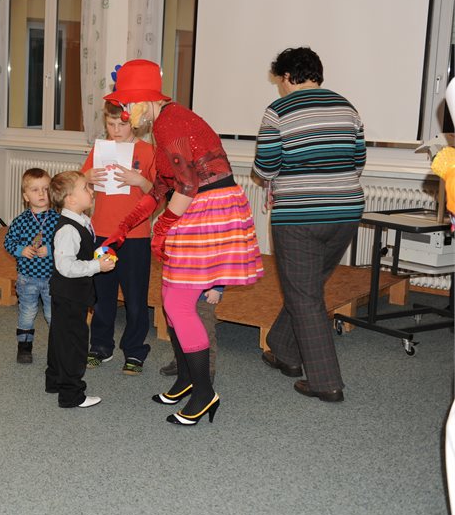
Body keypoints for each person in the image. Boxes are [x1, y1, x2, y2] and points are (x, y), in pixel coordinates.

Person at [105, 59, 264, 426]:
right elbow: (163, 186)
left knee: (178, 302)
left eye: (127, 103)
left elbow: (188, 185)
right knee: (172, 298)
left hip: (205, 208)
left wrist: (162, 228)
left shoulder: (169, 122)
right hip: (200, 205)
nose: (125, 111)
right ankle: (187, 380)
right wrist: (125, 226)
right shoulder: (167, 120)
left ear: (143, 99)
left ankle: (205, 394)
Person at [253, 47, 365, 403]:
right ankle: (284, 349)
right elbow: (358, 161)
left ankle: (325, 382)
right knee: (307, 286)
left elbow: (265, 168)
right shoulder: (347, 107)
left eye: (280, 81)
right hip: (346, 211)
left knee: (304, 294)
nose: (280, 88)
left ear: (288, 77)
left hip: (299, 217)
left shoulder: (279, 111)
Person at [82, 95, 156, 374]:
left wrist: (140, 181)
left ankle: (135, 350)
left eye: (121, 125)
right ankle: (100, 346)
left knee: (135, 297)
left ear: (133, 123)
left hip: (136, 236)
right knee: (103, 294)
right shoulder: (100, 149)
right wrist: (87, 178)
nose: (115, 130)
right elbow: (80, 187)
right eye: (110, 124)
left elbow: (160, 193)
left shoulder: (148, 151)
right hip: (102, 233)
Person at [45, 170, 114, 408]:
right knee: (74, 343)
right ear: (71, 199)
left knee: (60, 338)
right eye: (86, 188)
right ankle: (71, 394)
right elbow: (65, 266)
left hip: (69, 293)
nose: (91, 191)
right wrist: (97, 266)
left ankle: (54, 380)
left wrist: (96, 257)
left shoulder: (81, 220)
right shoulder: (68, 229)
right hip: (69, 294)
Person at [2, 168, 58, 364]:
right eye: (35, 190)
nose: (41, 193)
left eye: (45, 189)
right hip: (27, 277)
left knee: (53, 314)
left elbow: (67, 243)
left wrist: (51, 249)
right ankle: (24, 347)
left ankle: (58, 348)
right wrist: (21, 250)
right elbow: (8, 243)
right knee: (27, 312)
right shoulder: (20, 221)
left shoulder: (58, 219)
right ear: (26, 196)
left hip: (53, 278)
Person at [160, 287, 222, 382]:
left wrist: (217, 289)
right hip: (181, 292)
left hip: (204, 295)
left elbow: (221, 275)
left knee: (205, 332)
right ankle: (180, 363)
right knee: (180, 331)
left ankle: (208, 369)